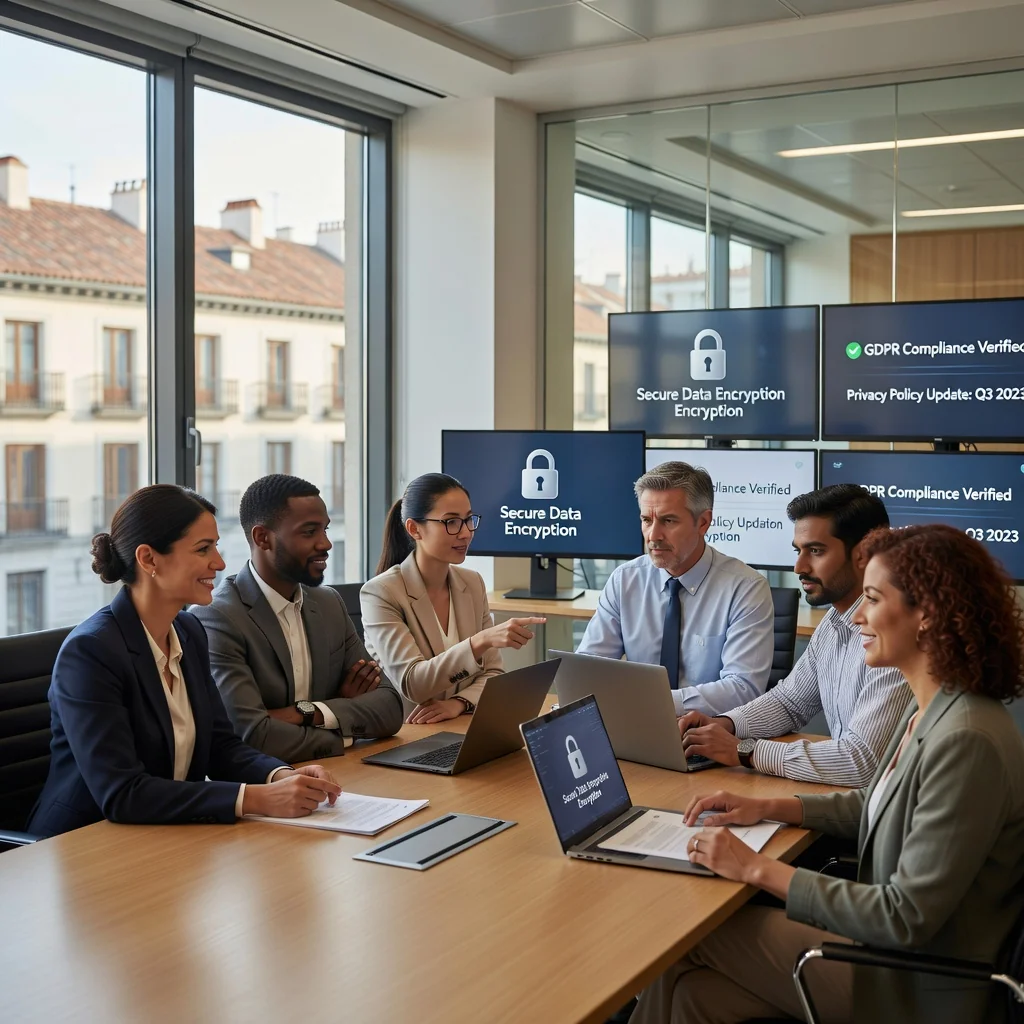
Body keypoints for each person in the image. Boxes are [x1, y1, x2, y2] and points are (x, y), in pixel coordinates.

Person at [632, 524, 1024, 1024]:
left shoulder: (968, 739)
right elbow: (876, 802)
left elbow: (904, 916)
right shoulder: (935, 708)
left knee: (686, 934)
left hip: (919, 984)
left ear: (925, 615)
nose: (857, 615)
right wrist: (768, 806)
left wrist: (758, 869)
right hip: (887, 953)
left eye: (874, 599)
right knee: (693, 996)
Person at [28, 485, 341, 838]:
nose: (220, 562)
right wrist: (257, 798)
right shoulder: (90, 653)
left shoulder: (189, 631)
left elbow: (221, 746)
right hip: (84, 843)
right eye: (203, 549)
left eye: (216, 546)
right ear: (148, 559)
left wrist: (281, 776)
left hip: (169, 835)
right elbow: (122, 793)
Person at [678, 484, 912, 785]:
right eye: (798, 551)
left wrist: (744, 752)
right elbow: (790, 702)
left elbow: (861, 762)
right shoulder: (833, 622)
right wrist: (726, 724)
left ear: (864, 554)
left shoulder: (894, 637)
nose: (799, 567)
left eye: (816, 551)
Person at [193, 475, 403, 762]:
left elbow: (391, 708)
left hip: (340, 776)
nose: (326, 543)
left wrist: (310, 712)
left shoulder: (328, 603)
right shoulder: (217, 617)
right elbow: (254, 736)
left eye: (325, 529)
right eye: (309, 532)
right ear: (262, 538)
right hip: (267, 790)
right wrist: (343, 725)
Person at [577, 461, 774, 716]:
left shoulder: (746, 589)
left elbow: (743, 689)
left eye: (668, 521)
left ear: (703, 523)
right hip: (634, 725)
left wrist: (647, 704)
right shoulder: (624, 580)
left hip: (708, 736)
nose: (653, 535)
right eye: (646, 520)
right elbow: (588, 669)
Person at [360, 473, 545, 723]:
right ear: (415, 529)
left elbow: (494, 672)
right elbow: (414, 683)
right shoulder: (381, 593)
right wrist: (480, 641)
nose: (466, 533)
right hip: (408, 734)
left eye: (469, 520)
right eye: (451, 522)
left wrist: (458, 703)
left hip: (460, 724)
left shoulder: (472, 582)